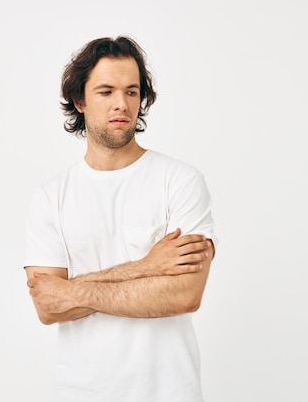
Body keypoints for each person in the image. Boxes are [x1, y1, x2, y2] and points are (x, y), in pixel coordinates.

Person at [24, 35, 217, 402]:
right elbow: (47, 306)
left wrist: (71, 291)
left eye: (132, 91)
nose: (122, 104)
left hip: (169, 391)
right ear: (79, 100)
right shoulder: (51, 197)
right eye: (106, 91)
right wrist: (148, 266)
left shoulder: (180, 181)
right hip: (80, 392)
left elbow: (185, 294)